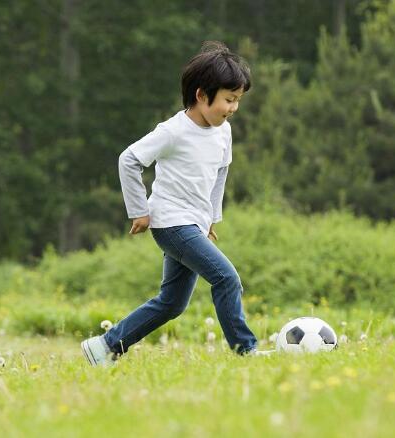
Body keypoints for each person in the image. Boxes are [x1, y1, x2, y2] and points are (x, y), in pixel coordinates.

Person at [81, 42, 265, 366]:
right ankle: (246, 350)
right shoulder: (174, 131)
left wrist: (211, 218)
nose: (233, 108)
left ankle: (105, 346)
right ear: (201, 95)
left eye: (237, 100)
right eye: (228, 99)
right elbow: (129, 160)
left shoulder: (224, 133)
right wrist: (139, 210)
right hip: (170, 222)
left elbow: (220, 173)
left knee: (172, 303)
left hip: (193, 223)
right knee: (226, 278)